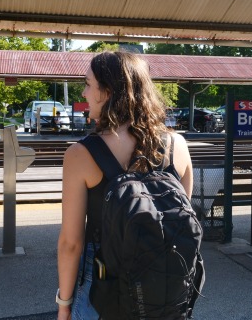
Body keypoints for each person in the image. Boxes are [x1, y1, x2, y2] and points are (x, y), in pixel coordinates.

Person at [56, 51, 194, 320]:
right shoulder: (178, 145)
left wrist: (64, 305)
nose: (84, 93)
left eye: (88, 84)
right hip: (163, 291)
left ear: (106, 92)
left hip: (103, 288)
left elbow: (71, 243)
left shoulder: (80, 154)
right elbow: (176, 220)